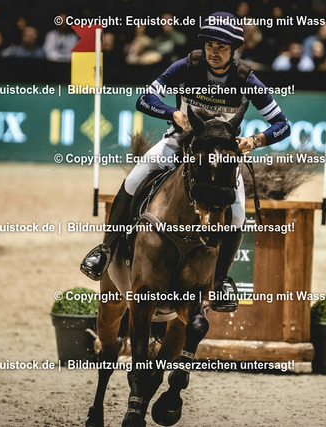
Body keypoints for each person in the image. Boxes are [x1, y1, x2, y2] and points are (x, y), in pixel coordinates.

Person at [80, 11, 291, 312]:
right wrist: (173, 113)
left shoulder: (246, 79)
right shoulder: (187, 66)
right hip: (180, 142)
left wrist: (256, 140)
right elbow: (144, 99)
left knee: (238, 214)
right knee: (134, 179)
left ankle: (221, 280)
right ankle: (106, 249)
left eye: (221, 47)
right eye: (209, 45)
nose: (213, 52)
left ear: (234, 49)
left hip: (220, 157)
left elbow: (282, 125)